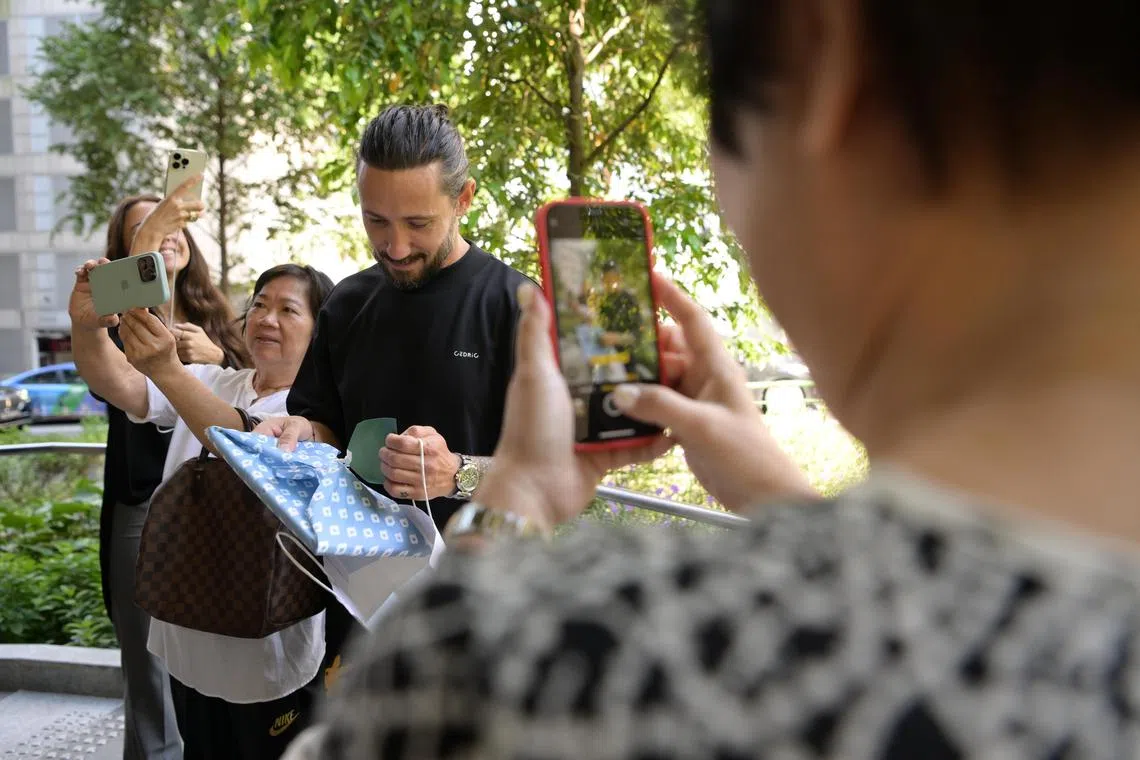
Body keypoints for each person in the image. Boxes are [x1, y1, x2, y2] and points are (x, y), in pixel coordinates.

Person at [301, 0, 1140, 757]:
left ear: (821, 56)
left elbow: (413, 715)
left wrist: (512, 495)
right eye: (380, 221)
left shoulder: (569, 655)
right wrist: (784, 499)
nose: (396, 242)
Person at [261, 103, 532, 681]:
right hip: (358, 601)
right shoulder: (348, 304)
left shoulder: (516, 306)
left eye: (418, 223)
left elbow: (559, 471)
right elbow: (325, 424)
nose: (396, 246)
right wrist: (300, 432)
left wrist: (458, 472)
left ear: (464, 200)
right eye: (376, 220)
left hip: (485, 607)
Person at [71, 261, 334, 759]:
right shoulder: (217, 380)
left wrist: (166, 369)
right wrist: (86, 324)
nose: (266, 318)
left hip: (266, 652)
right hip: (186, 634)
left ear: (321, 332)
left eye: (287, 310)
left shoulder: (314, 416)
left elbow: (243, 444)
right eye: (258, 304)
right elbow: (119, 383)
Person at [74, 185, 247, 760]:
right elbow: (118, 380)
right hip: (143, 501)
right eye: (146, 228)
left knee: (208, 649)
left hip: (218, 505)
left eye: (175, 224)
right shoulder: (119, 310)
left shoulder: (217, 319)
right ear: (126, 250)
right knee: (146, 660)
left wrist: (218, 359)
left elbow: (256, 402)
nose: (168, 231)